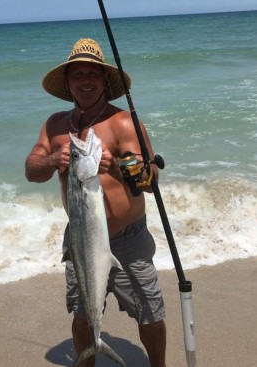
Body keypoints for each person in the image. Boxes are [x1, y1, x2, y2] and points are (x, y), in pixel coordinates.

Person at [25, 38, 166, 367]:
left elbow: (148, 182)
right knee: (83, 314)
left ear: (104, 80)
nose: (85, 81)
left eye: (93, 74)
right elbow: (32, 171)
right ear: (69, 82)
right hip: (79, 236)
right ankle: (88, 358)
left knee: (150, 313)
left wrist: (114, 167)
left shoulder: (123, 124)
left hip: (129, 239)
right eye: (78, 75)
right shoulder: (56, 126)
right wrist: (51, 161)